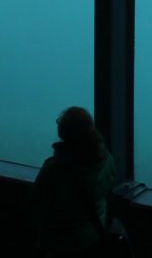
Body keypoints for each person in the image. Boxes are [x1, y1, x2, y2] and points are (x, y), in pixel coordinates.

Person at [31, 106, 128, 257]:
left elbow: (36, 204)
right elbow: (108, 190)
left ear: (64, 132)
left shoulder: (56, 169)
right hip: (94, 238)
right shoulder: (106, 159)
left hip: (60, 244)